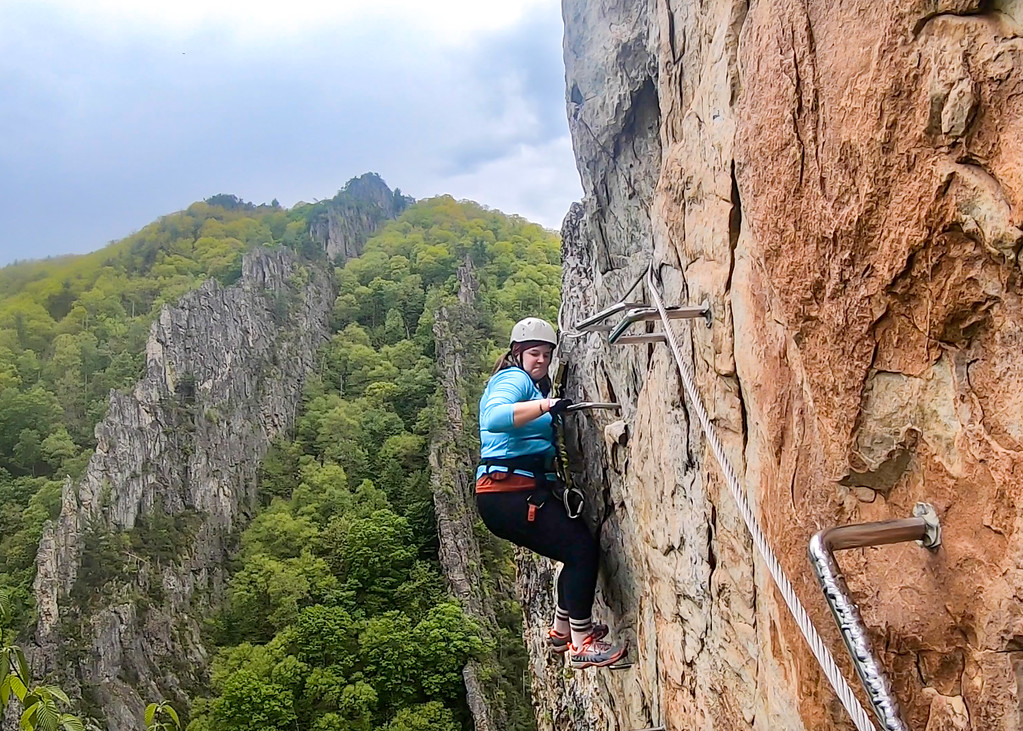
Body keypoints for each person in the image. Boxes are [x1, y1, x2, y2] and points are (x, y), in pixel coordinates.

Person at [475, 316, 627, 669]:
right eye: (533, 353)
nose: (541, 360)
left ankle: (562, 630)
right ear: (517, 353)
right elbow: (495, 418)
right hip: (510, 493)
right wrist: (547, 406)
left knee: (572, 549)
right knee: (580, 551)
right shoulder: (513, 379)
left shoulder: (530, 385)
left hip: (510, 493)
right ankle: (581, 642)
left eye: (546, 354)